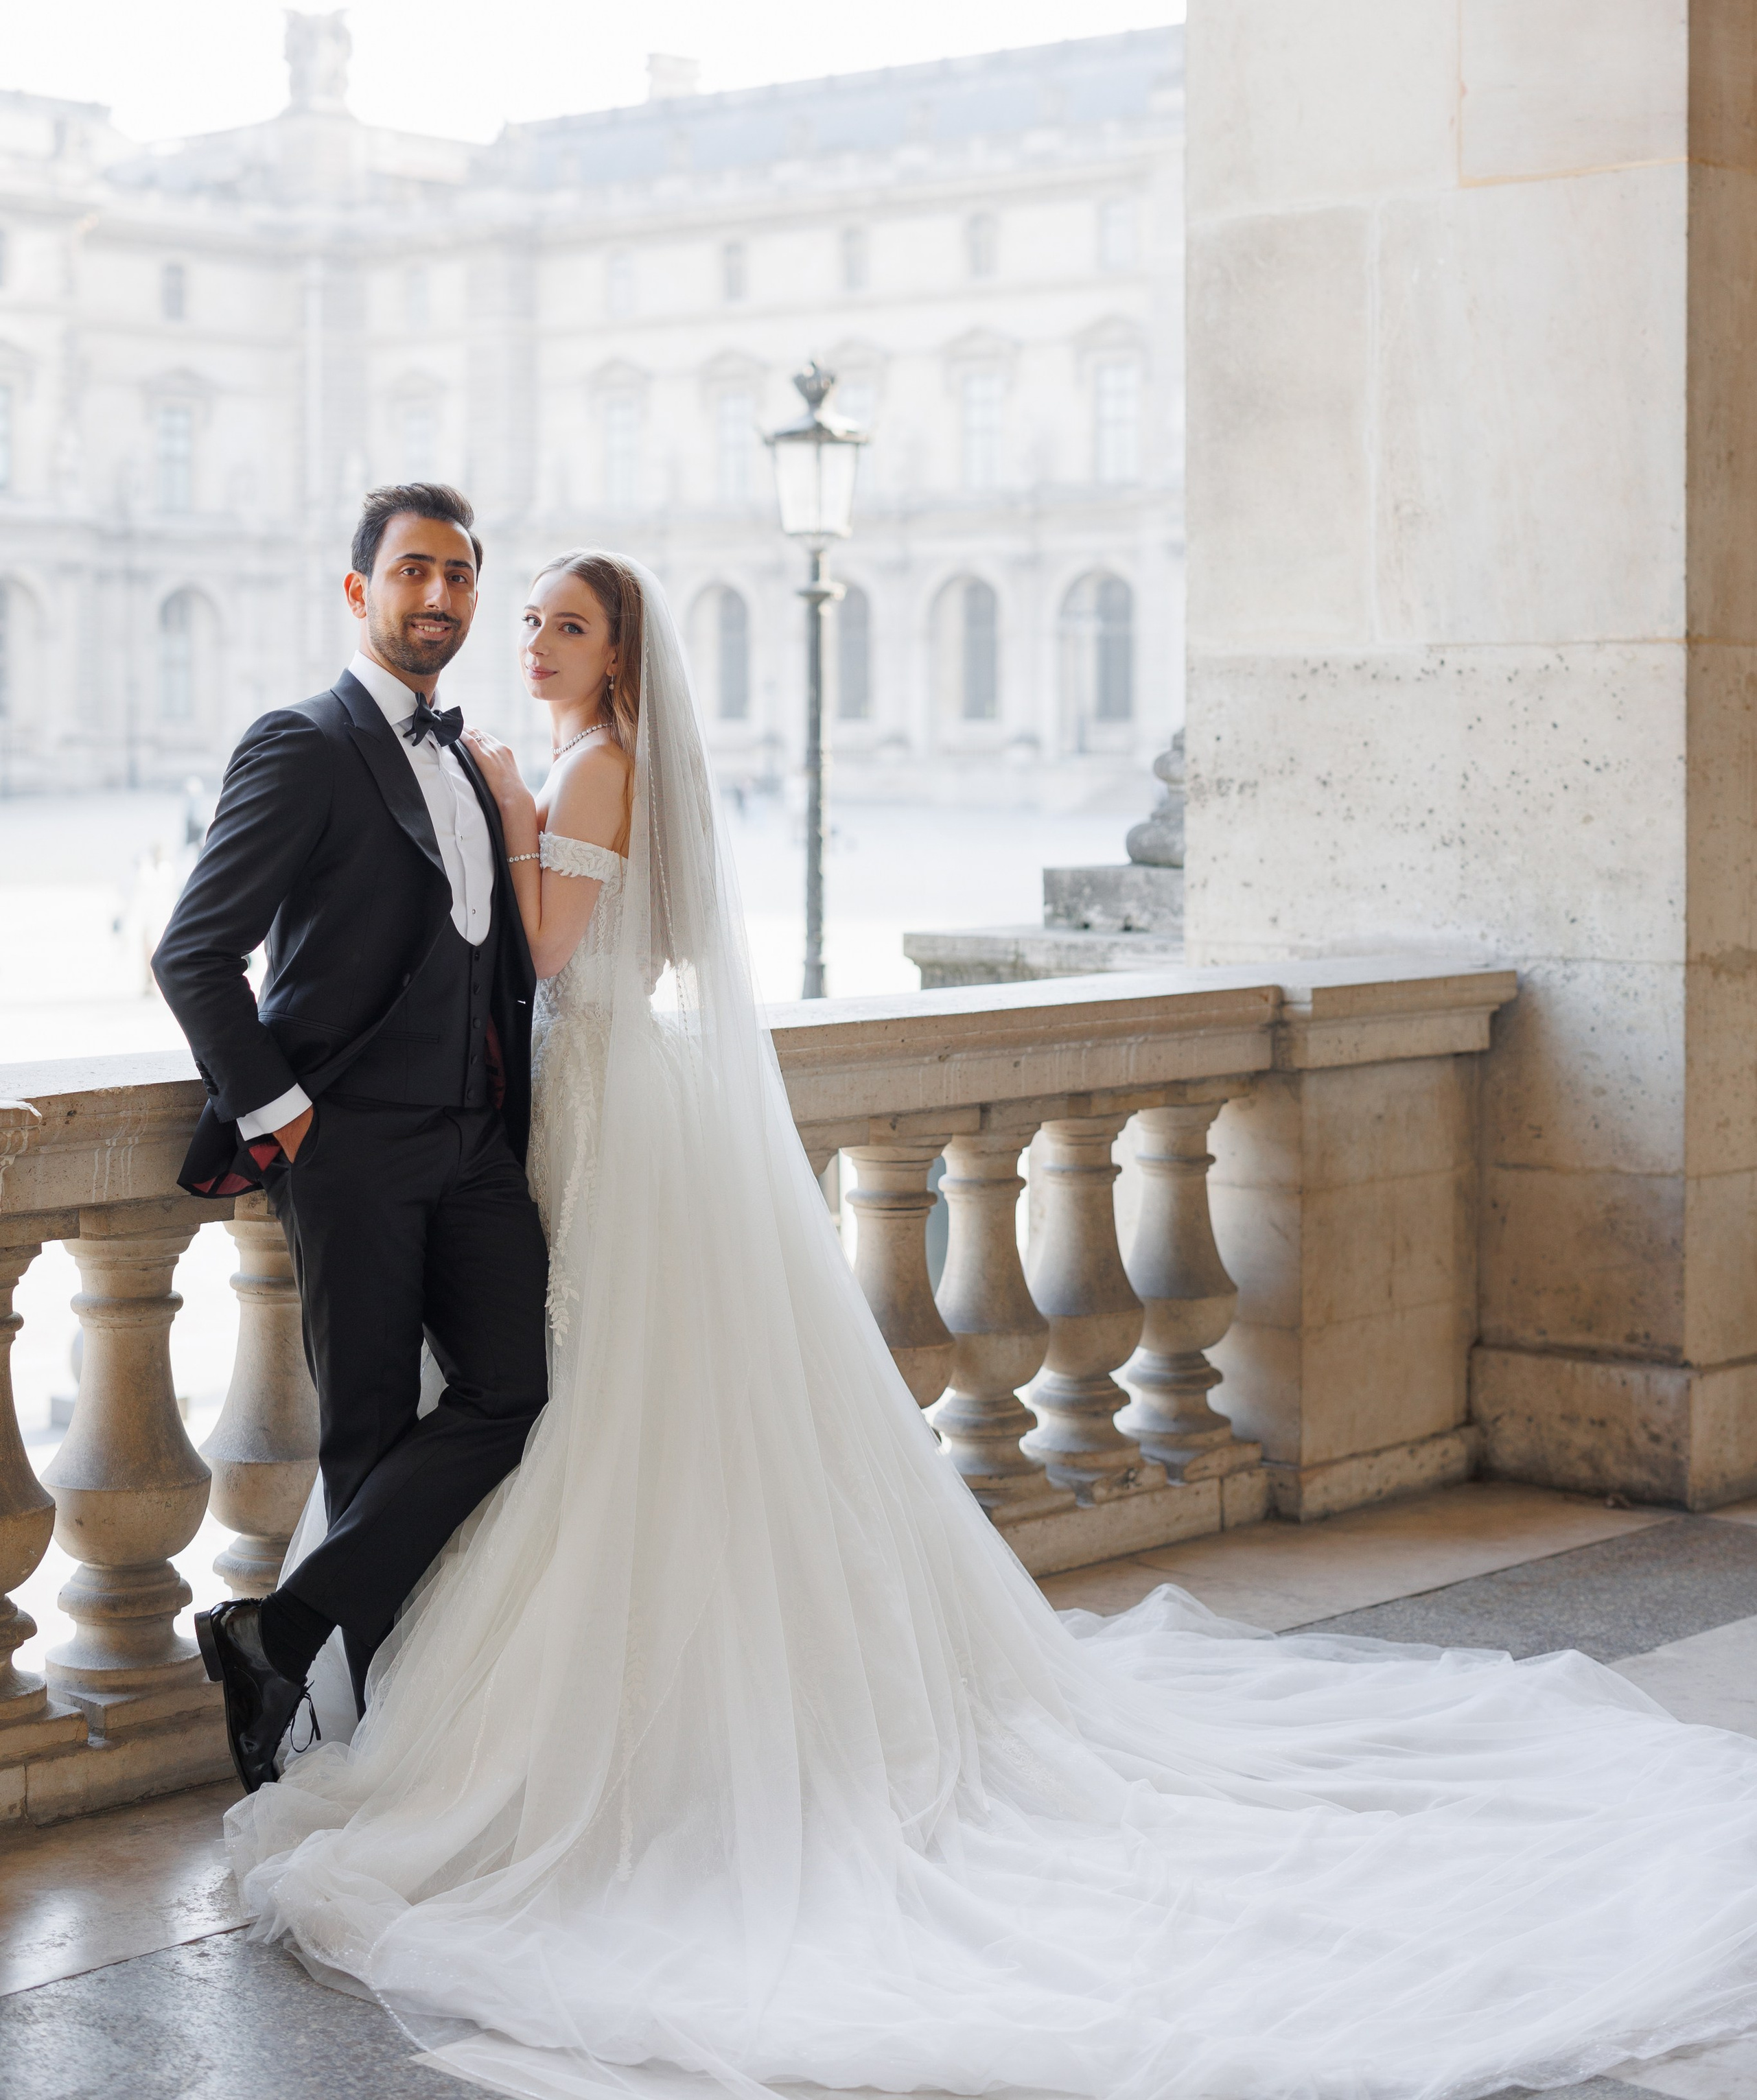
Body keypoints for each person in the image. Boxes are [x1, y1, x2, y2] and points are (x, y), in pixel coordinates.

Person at [226, 550, 1757, 2100]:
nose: (538, 643)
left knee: (600, 1396)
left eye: (568, 626)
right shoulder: (578, 759)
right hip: (572, 1109)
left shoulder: (587, 764)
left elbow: (554, 953)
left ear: (621, 660)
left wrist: (501, 800)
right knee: (591, 1393)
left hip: (603, 1101)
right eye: (532, 620)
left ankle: (549, 1709)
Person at [152, 484, 549, 1786]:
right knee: (368, 1431)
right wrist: (288, 1121)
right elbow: (195, 954)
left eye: (460, 575)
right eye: (414, 571)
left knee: (516, 1390)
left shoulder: (472, 758)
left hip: (476, 1143)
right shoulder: (303, 743)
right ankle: (368, 1746)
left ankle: (276, 1631)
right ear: (359, 590)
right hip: (350, 1147)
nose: (439, 596)